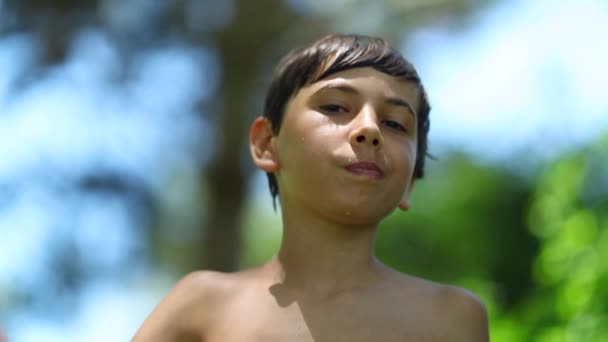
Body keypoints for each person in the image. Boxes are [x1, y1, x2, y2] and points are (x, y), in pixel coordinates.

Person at [133, 33, 489, 341]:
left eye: (395, 123)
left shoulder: (449, 318)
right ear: (266, 143)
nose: (370, 129)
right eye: (335, 107)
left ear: (411, 182)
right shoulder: (202, 306)